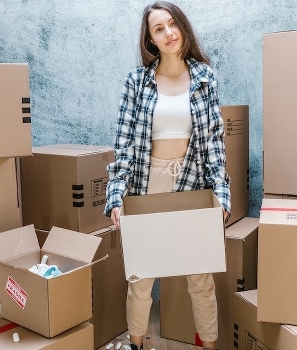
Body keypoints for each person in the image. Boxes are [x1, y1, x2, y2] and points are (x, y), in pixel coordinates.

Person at [104, 2, 230, 349]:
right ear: (151, 39)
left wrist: (220, 193)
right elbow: (124, 143)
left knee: (200, 278)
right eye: (158, 29)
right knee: (141, 277)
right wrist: (117, 194)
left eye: (172, 24)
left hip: (192, 183)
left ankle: (208, 344)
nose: (168, 33)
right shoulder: (137, 81)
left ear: (182, 28)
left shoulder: (204, 77)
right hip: (148, 185)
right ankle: (137, 343)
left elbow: (215, 142)